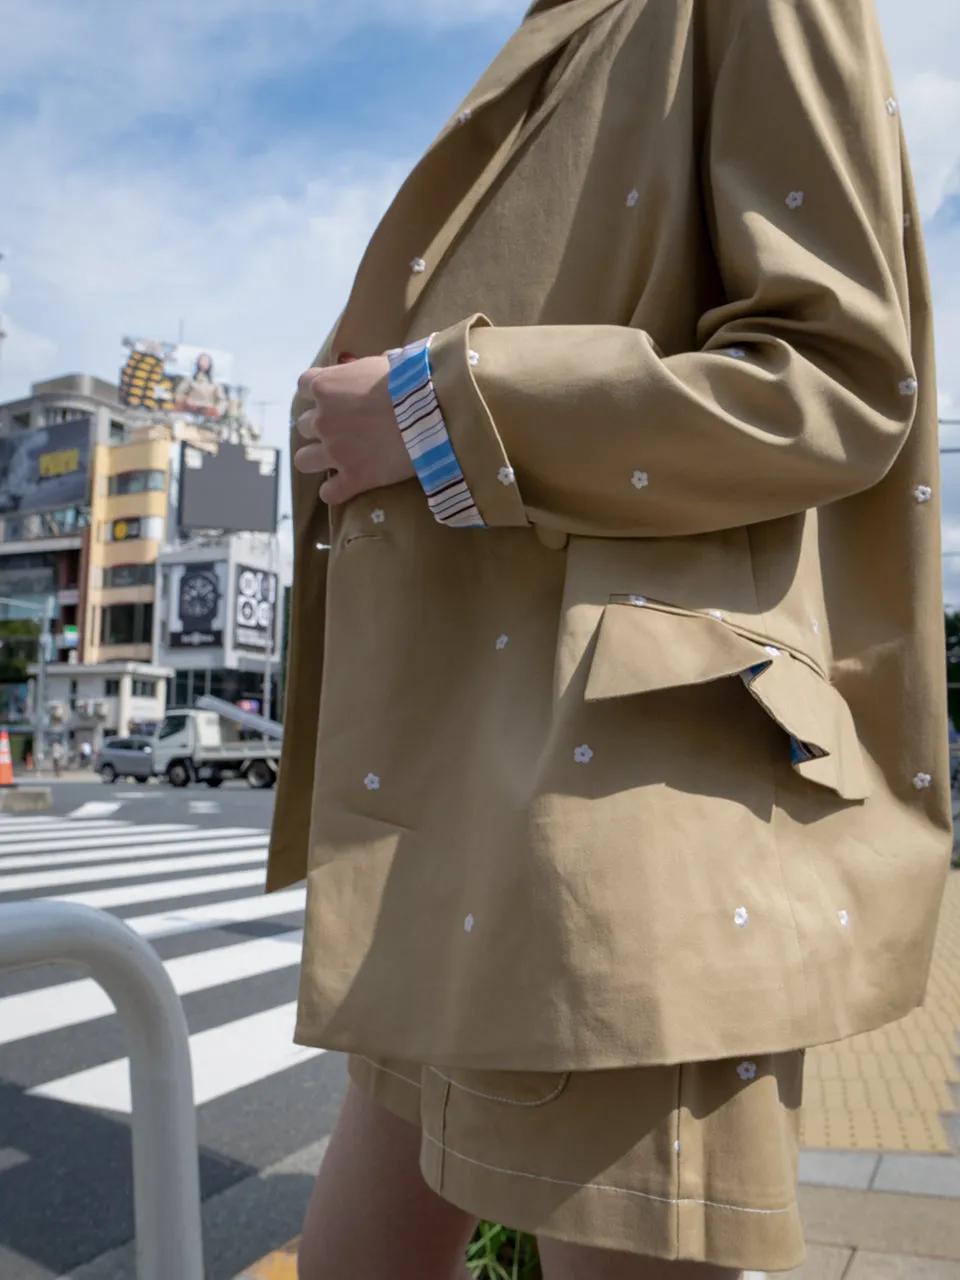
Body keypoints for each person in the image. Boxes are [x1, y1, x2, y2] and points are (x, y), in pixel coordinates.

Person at [270, 2, 952, 1277]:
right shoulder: (574, 26)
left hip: (623, 794)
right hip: (458, 786)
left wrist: (435, 414)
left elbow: (842, 378)